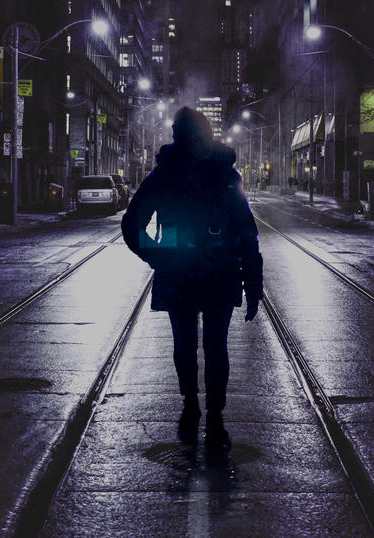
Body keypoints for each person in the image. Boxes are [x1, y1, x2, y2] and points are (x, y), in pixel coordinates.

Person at [121, 107, 263, 450]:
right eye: (190, 137)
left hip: (203, 274)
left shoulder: (182, 175)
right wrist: (160, 256)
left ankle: (207, 412)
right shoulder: (180, 175)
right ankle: (199, 409)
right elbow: (132, 226)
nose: (196, 144)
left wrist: (160, 256)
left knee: (207, 346)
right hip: (197, 273)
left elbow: (246, 232)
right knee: (198, 346)